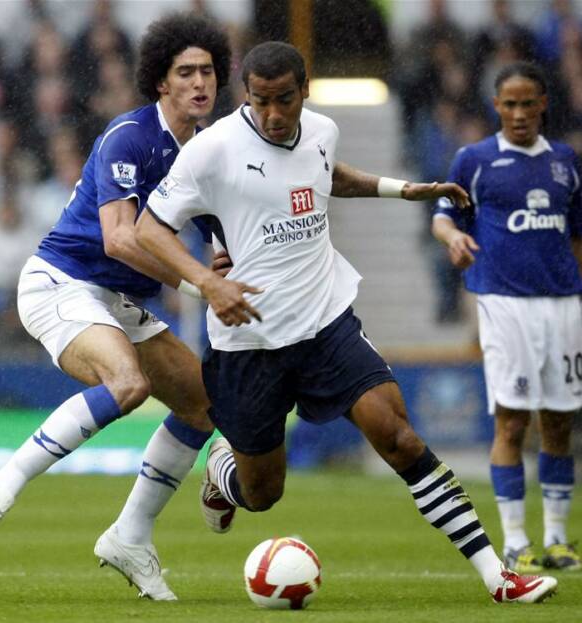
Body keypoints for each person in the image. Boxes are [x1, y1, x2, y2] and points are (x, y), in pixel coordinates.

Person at [136, 41, 559, 604]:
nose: (273, 114)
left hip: (325, 321)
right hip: (249, 341)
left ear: (304, 90)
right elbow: (147, 230)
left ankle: (496, 575)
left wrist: (402, 189)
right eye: (260, 102)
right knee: (264, 494)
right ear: (247, 96)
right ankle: (226, 478)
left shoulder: (322, 130)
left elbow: (324, 175)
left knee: (400, 437)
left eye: (284, 100)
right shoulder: (210, 152)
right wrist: (208, 281)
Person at [0, 13, 231, 601]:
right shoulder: (129, 136)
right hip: (61, 281)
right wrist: (199, 287)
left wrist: (235, 269)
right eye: (184, 72)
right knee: (127, 382)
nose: (198, 82)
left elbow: (222, 240)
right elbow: (120, 239)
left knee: (201, 407)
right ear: (160, 81)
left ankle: (130, 536)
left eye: (207, 70)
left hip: (119, 300)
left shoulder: (209, 154)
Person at [432, 61, 582, 573]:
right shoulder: (474, 160)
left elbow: (577, 234)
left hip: (562, 304)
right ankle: (516, 540)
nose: (519, 114)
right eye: (509, 104)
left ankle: (559, 539)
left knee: (560, 422)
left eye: (528, 104)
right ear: (497, 107)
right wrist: (453, 238)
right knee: (513, 421)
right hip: (503, 302)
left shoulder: (566, 162)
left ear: (543, 104)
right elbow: (443, 216)